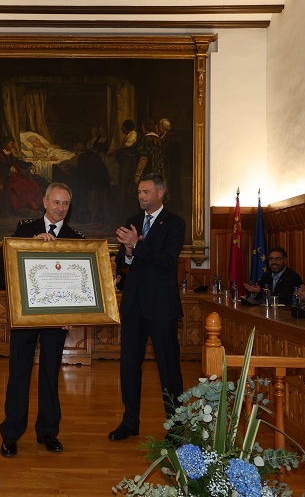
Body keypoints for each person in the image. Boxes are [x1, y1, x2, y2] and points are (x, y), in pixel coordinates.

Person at [0, 182, 84, 457]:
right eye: (56, 202)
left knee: (50, 374)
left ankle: (48, 432)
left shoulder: (75, 237)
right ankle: (11, 434)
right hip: (25, 315)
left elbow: (79, 284)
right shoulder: (24, 228)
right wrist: (29, 243)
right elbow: (1, 257)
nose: (61, 208)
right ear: (45, 201)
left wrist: (72, 313)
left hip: (57, 320)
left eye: (66, 204)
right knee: (19, 373)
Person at [109, 173, 185, 442]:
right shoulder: (132, 221)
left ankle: (176, 427)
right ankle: (130, 422)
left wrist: (137, 245)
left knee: (168, 368)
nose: (141, 196)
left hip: (162, 308)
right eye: (139, 192)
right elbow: (123, 259)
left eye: (146, 192)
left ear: (160, 193)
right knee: (129, 366)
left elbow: (166, 260)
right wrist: (128, 252)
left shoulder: (175, 223)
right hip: (133, 306)